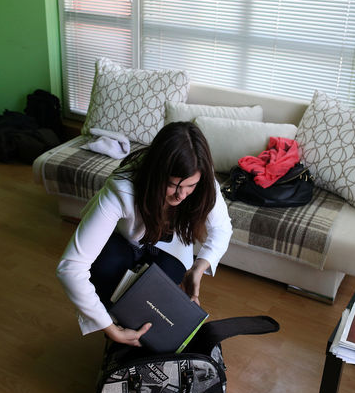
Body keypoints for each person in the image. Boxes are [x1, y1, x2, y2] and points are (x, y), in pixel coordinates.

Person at [57, 121, 233, 347]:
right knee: (107, 265)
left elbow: (222, 228)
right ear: (156, 174)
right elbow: (70, 267)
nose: (182, 195)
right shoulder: (122, 188)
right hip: (123, 243)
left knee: (164, 283)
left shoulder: (203, 181)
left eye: (190, 186)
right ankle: (116, 325)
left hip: (168, 250)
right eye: (173, 185)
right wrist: (110, 329)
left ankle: (140, 331)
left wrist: (198, 269)